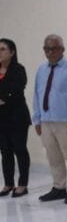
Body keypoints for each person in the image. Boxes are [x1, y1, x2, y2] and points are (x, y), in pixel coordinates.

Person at [32, 35, 67, 204]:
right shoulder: (41, 70)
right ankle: (59, 187)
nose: (50, 52)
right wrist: (37, 119)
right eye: (46, 49)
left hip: (65, 122)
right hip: (46, 121)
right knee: (53, 156)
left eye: (53, 48)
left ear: (62, 50)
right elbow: (37, 95)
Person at [0, 38, 31, 198]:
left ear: (12, 52)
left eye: (2, 49)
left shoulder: (18, 69)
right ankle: (8, 183)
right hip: (1, 118)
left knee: (20, 150)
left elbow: (16, 89)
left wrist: (4, 98)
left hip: (17, 117)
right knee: (5, 151)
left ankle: (23, 184)